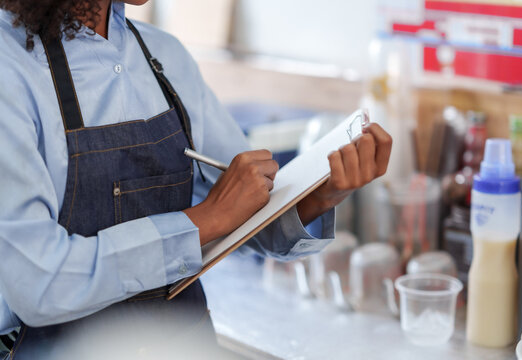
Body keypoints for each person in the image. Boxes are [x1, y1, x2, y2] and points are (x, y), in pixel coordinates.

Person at [0, 0, 392, 358]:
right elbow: (40, 283)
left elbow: (250, 214)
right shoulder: (9, 67)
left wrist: (323, 193)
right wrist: (203, 221)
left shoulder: (164, 56)